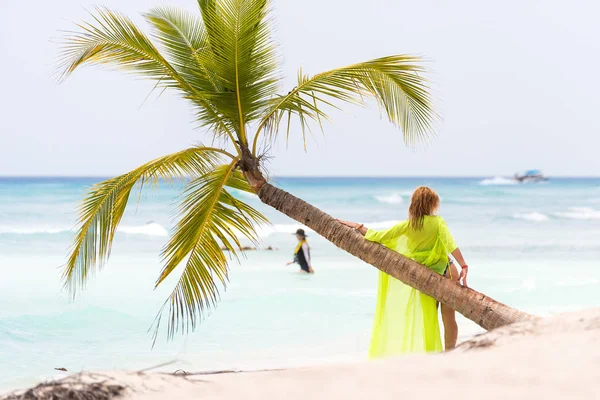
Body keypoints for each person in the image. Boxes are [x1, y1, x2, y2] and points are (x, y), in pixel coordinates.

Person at [338, 186, 469, 356]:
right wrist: (464, 265)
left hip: (425, 278)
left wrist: (358, 226)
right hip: (447, 272)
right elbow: (450, 244)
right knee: (448, 317)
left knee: (429, 316)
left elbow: (379, 236)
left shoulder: (407, 226)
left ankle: (433, 353)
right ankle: (449, 353)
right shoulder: (438, 222)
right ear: (431, 204)